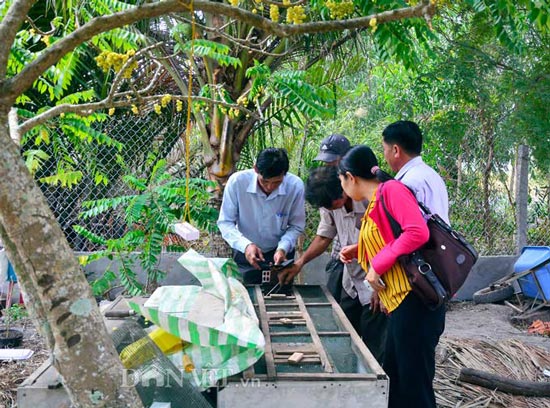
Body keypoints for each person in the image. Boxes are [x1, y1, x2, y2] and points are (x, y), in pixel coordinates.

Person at [338, 145, 445, 408]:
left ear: (351, 177)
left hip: (415, 303)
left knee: (414, 389)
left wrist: (376, 265)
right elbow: (392, 240)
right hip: (400, 306)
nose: (342, 187)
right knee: (397, 384)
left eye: (341, 180)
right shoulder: (376, 200)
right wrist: (360, 250)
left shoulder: (392, 190)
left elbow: (417, 233)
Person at [279, 166, 387, 363]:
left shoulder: (370, 200)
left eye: (330, 205)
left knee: (374, 343)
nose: (329, 209)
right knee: (343, 335)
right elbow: (323, 236)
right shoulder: (329, 205)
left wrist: (379, 287)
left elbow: (388, 244)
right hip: (351, 280)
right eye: (325, 207)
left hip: (377, 283)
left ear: (342, 190)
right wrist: (299, 263)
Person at [217, 148, 306, 284]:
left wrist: (283, 247)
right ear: (255, 170)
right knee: (246, 294)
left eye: (277, 182)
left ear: (285, 175)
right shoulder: (237, 182)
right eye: (265, 181)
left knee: (281, 295)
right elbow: (225, 223)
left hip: (280, 254)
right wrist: (246, 246)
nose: (270, 187)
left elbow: (296, 226)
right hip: (245, 251)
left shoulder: (295, 186)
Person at [382, 120, 450, 224]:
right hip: (443, 240)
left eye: (384, 149)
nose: (384, 155)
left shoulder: (407, 183)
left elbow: (411, 230)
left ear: (396, 150)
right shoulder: (433, 175)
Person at [312, 133, 351, 302]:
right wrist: (301, 262)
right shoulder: (327, 187)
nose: (329, 166)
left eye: (333, 161)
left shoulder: (365, 190)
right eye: (326, 162)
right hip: (340, 260)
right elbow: (324, 234)